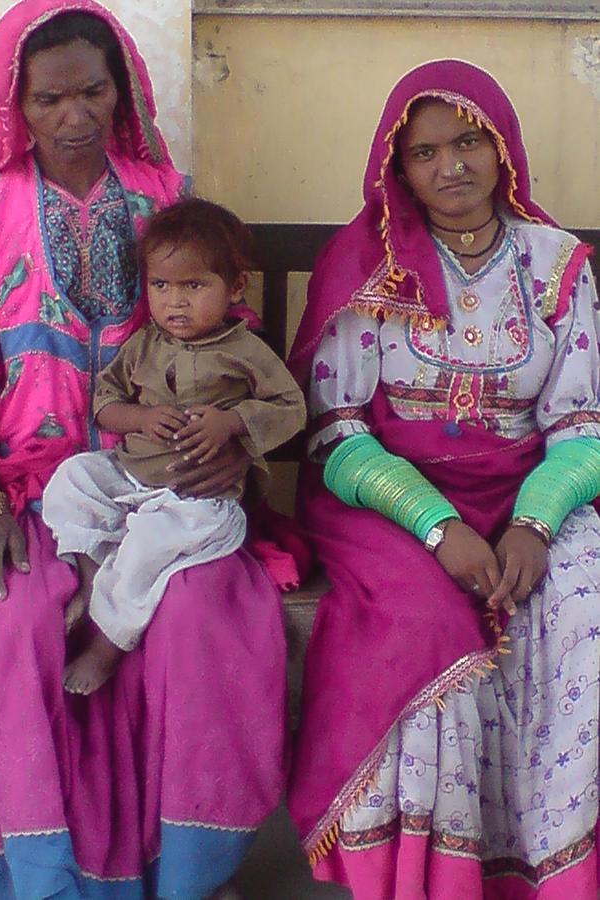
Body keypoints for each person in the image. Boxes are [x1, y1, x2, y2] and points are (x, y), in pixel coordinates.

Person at [0, 3, 288, 897]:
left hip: (169, 482)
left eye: (93, 91)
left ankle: (178, 873)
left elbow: (225, 352)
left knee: (201, 622)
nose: (74, 116)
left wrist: (234, 452)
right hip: (35, 482)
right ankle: (43, 875)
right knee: (13, 628)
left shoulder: (165, 194)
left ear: (122, 91)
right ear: (17, 103)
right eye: (50, 99)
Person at [286, 59, 600, 899]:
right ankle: (431, 882)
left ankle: (555, 872)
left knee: (583, 604)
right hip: (385, 503)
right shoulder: (362, 266)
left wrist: (534, 525)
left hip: (531, 490)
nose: (450, 166)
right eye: (424, 152)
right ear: (399, 168)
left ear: (502, 148)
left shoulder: (557, 262)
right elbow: (335, 430)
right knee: (424, 631)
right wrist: (435, 526)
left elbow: (580, 425)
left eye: (468, 141)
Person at [43, 198, 306, 695]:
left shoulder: (246, 352)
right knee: (72, 479)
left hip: (196, 499)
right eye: (161, 286)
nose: (175, 302)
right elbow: (104, 400)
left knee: (149, 545)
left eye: (194, 286)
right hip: (131, 475)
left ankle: (106, 645)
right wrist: (140, 417)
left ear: (235, 287)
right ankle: (91, 571)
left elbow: (291, 410)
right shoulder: (145, 342)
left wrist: (232, 423)